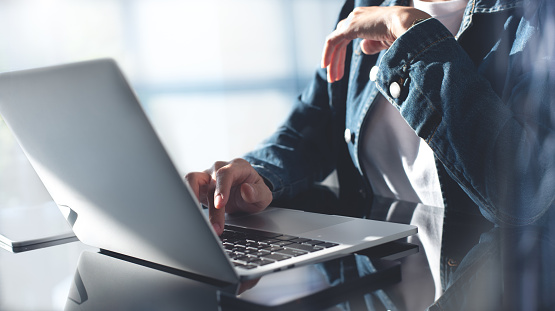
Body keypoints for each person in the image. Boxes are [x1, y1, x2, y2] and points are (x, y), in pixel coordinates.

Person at [186, 0, 554, 300]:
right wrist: (259, 173)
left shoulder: (539, 18)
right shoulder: (366, 5)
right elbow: (316, 121)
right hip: (375, 284)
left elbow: (526, 189)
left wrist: (413, 33)